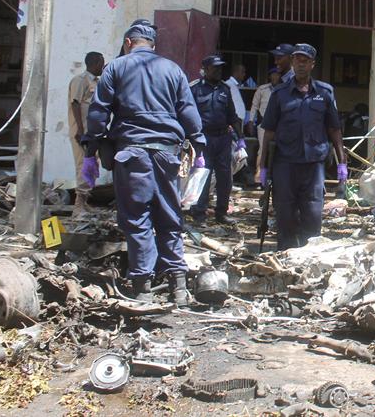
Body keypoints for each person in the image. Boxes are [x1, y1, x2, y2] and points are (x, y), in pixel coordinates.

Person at [81, 20, 205, 305]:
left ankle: (143, 287)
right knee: (169, 216)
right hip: (167, 155)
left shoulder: (116, 67)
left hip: (132, 154)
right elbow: (187, 110)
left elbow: (99, 112)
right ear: (152, 44)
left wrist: (91, 149)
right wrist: (199, 145)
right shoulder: (173, 69)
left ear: (128, 43)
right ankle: (178, 287)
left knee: (137, 219)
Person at [259, 44, 346, 250]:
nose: (300, 64)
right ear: (292, 62)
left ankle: (309, 258)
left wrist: (342, 162)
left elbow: (334, 129)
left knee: (313, 215)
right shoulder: (279, 94)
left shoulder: (325, 93)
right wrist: (261, 166)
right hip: (285, 164)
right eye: (297, 60)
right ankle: (285, 258)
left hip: (313, 166)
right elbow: (269, 132)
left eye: (305, 61)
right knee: (285, 215)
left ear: (312, 65)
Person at [190, 55, 244, 225]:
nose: (219, 71)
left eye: (221, 68)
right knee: (203, 176)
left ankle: (221, 212)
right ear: (205, 69)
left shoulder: (225, 90)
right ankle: (199, 213)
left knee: (224, 178)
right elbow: (188, 115)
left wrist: (240, 139)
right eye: (215, 68)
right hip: (204, 139)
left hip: (223, 139)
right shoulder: (195, 90)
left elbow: (232, 116)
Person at [68, 51, 104, 216]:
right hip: (82, 133)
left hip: (93, 134)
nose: (103, 66)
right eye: (101, 62)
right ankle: (78, 206)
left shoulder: (98, 82)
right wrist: (80, 131)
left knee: (91, 166)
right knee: (83, 166)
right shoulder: (80, 81)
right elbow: (75, 104)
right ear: (95, 62)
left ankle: (85, 201)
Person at [249, 67, 281, 178]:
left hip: (280, 125)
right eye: (273, 74)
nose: (275, 77)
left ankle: (275, 175)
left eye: (277, 75)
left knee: (279, 149)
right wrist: (250, 121)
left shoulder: (283, 89)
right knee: (263, 149)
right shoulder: (262, 89)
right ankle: (260, 175)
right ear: (270, 76)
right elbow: (254, 106)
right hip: (264, 124)